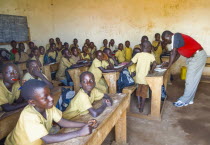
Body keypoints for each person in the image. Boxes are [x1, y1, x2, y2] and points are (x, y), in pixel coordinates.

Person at [5, 79, 96, 145]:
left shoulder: (48, 106)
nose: (51, 98)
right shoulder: (29, 116)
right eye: (45, 97)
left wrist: (84, 124)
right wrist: (79, 133)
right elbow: (47, 139)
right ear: (32, 102)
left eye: (50, 94)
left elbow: (62, 122)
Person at [161, 30, 207, 107]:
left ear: (169, 36)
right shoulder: (177, 40)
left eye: (165, 39)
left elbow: (173, 53)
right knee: (192, 80)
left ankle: (184, 100)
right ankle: (189, 99)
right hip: (195, 57)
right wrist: (170, 64)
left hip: (197, 57)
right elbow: (177, 54)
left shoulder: (176, 36)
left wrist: (168, 65)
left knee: (190, 79)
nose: (165, 41)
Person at [124, 41, 156, 112]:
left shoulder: (138, 55)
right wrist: (152, 70)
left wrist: (124, 66)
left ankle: (138, 103)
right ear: (149, 48)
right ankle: (142, 106)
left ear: (141, 47)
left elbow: (131, 63)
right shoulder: (151, 56)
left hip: (138, 78)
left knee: (138, 91)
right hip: (145, 78)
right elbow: (154, 64)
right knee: (144, 92)